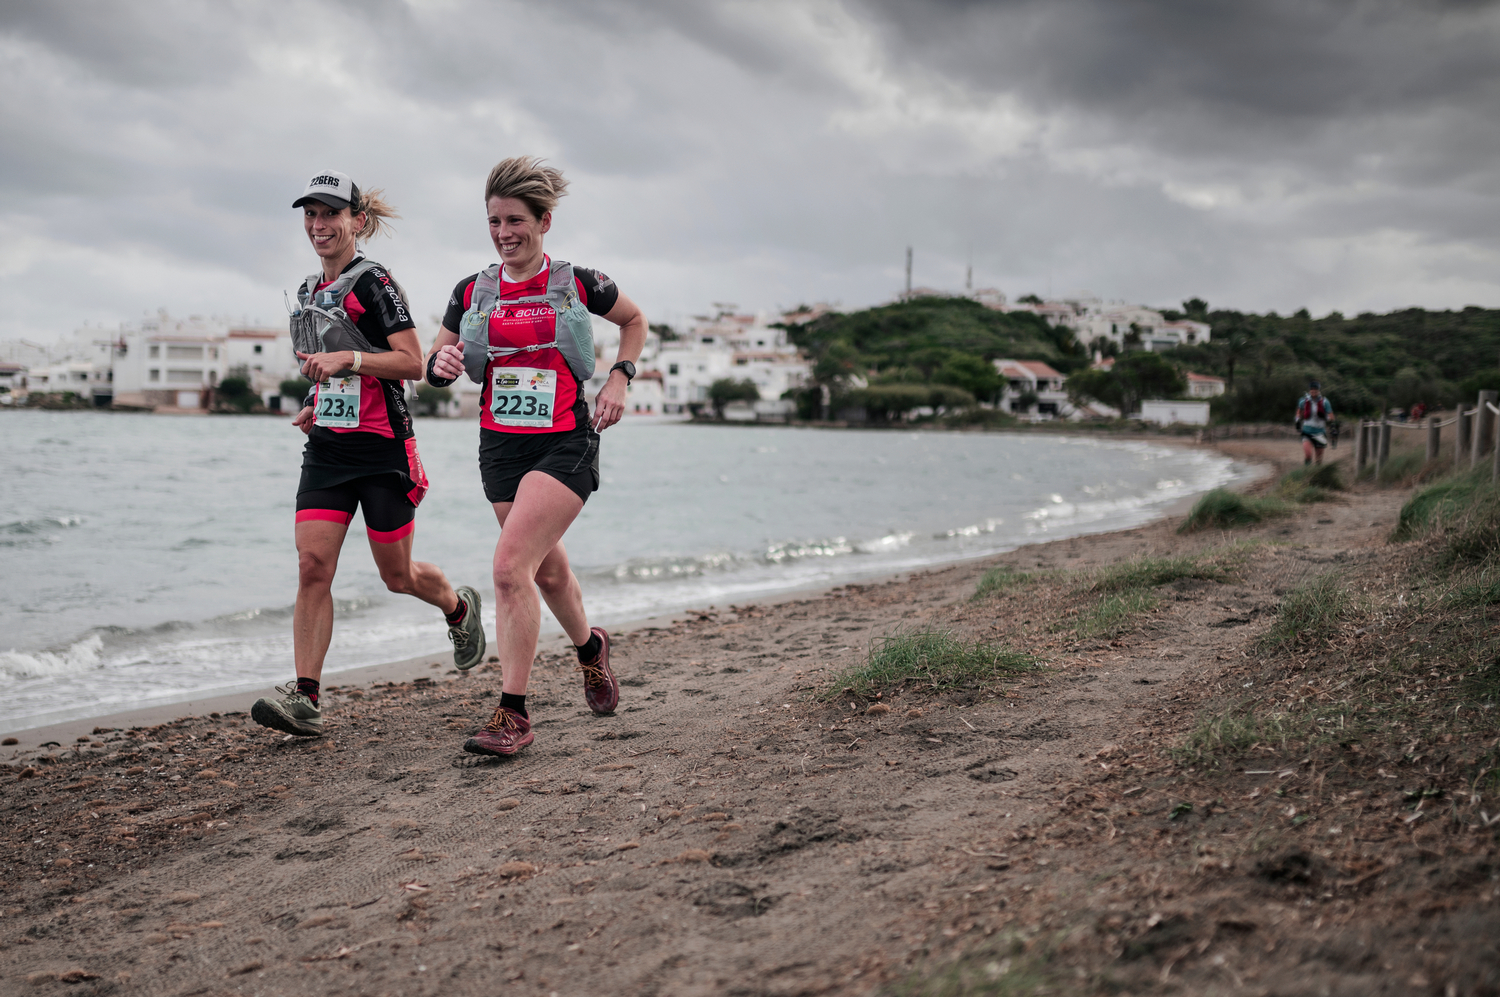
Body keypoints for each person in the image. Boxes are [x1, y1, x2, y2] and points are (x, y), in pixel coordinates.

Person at [251, 171, 487, 738]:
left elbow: (413, 363)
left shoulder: (374, 282)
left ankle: (458, 608)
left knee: (398, 575)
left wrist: (349, 364)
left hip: (384, 448)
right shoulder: (309, 292)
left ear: (357, 221)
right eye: (310, 215)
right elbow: (323, 364)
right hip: (329, 449)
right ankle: (305, 696)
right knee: (313, 567)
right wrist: (316, 401)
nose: (318, 225)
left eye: (330, 214)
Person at [426, 156, 647, 757]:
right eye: (494, 221)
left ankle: (513, 715)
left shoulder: (578, 282)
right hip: (500, 444)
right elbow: (438, 360)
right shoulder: (472, 290)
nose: (504, 233)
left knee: (506, 569)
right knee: (543, 569)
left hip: (566, 438)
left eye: (516, 220)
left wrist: (619, 379)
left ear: (544, 220)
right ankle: (590, 650)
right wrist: (439, 366)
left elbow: (634, 320)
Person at [1295, 380, 1333, 465]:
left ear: (1319, 391)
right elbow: (1298, 413)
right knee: (1308, 454)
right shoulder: (1303, 401)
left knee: (1319, 459)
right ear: (1309, 390)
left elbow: (1331, 417)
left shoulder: (1325, 402)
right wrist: (1297, 420)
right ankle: (1306, 473)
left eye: (1315, 390)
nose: (1313, 392)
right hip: (1307, 431)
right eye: (1312, 390)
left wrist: (1325, 417)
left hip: (1320, 432)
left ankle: (1316, 475)